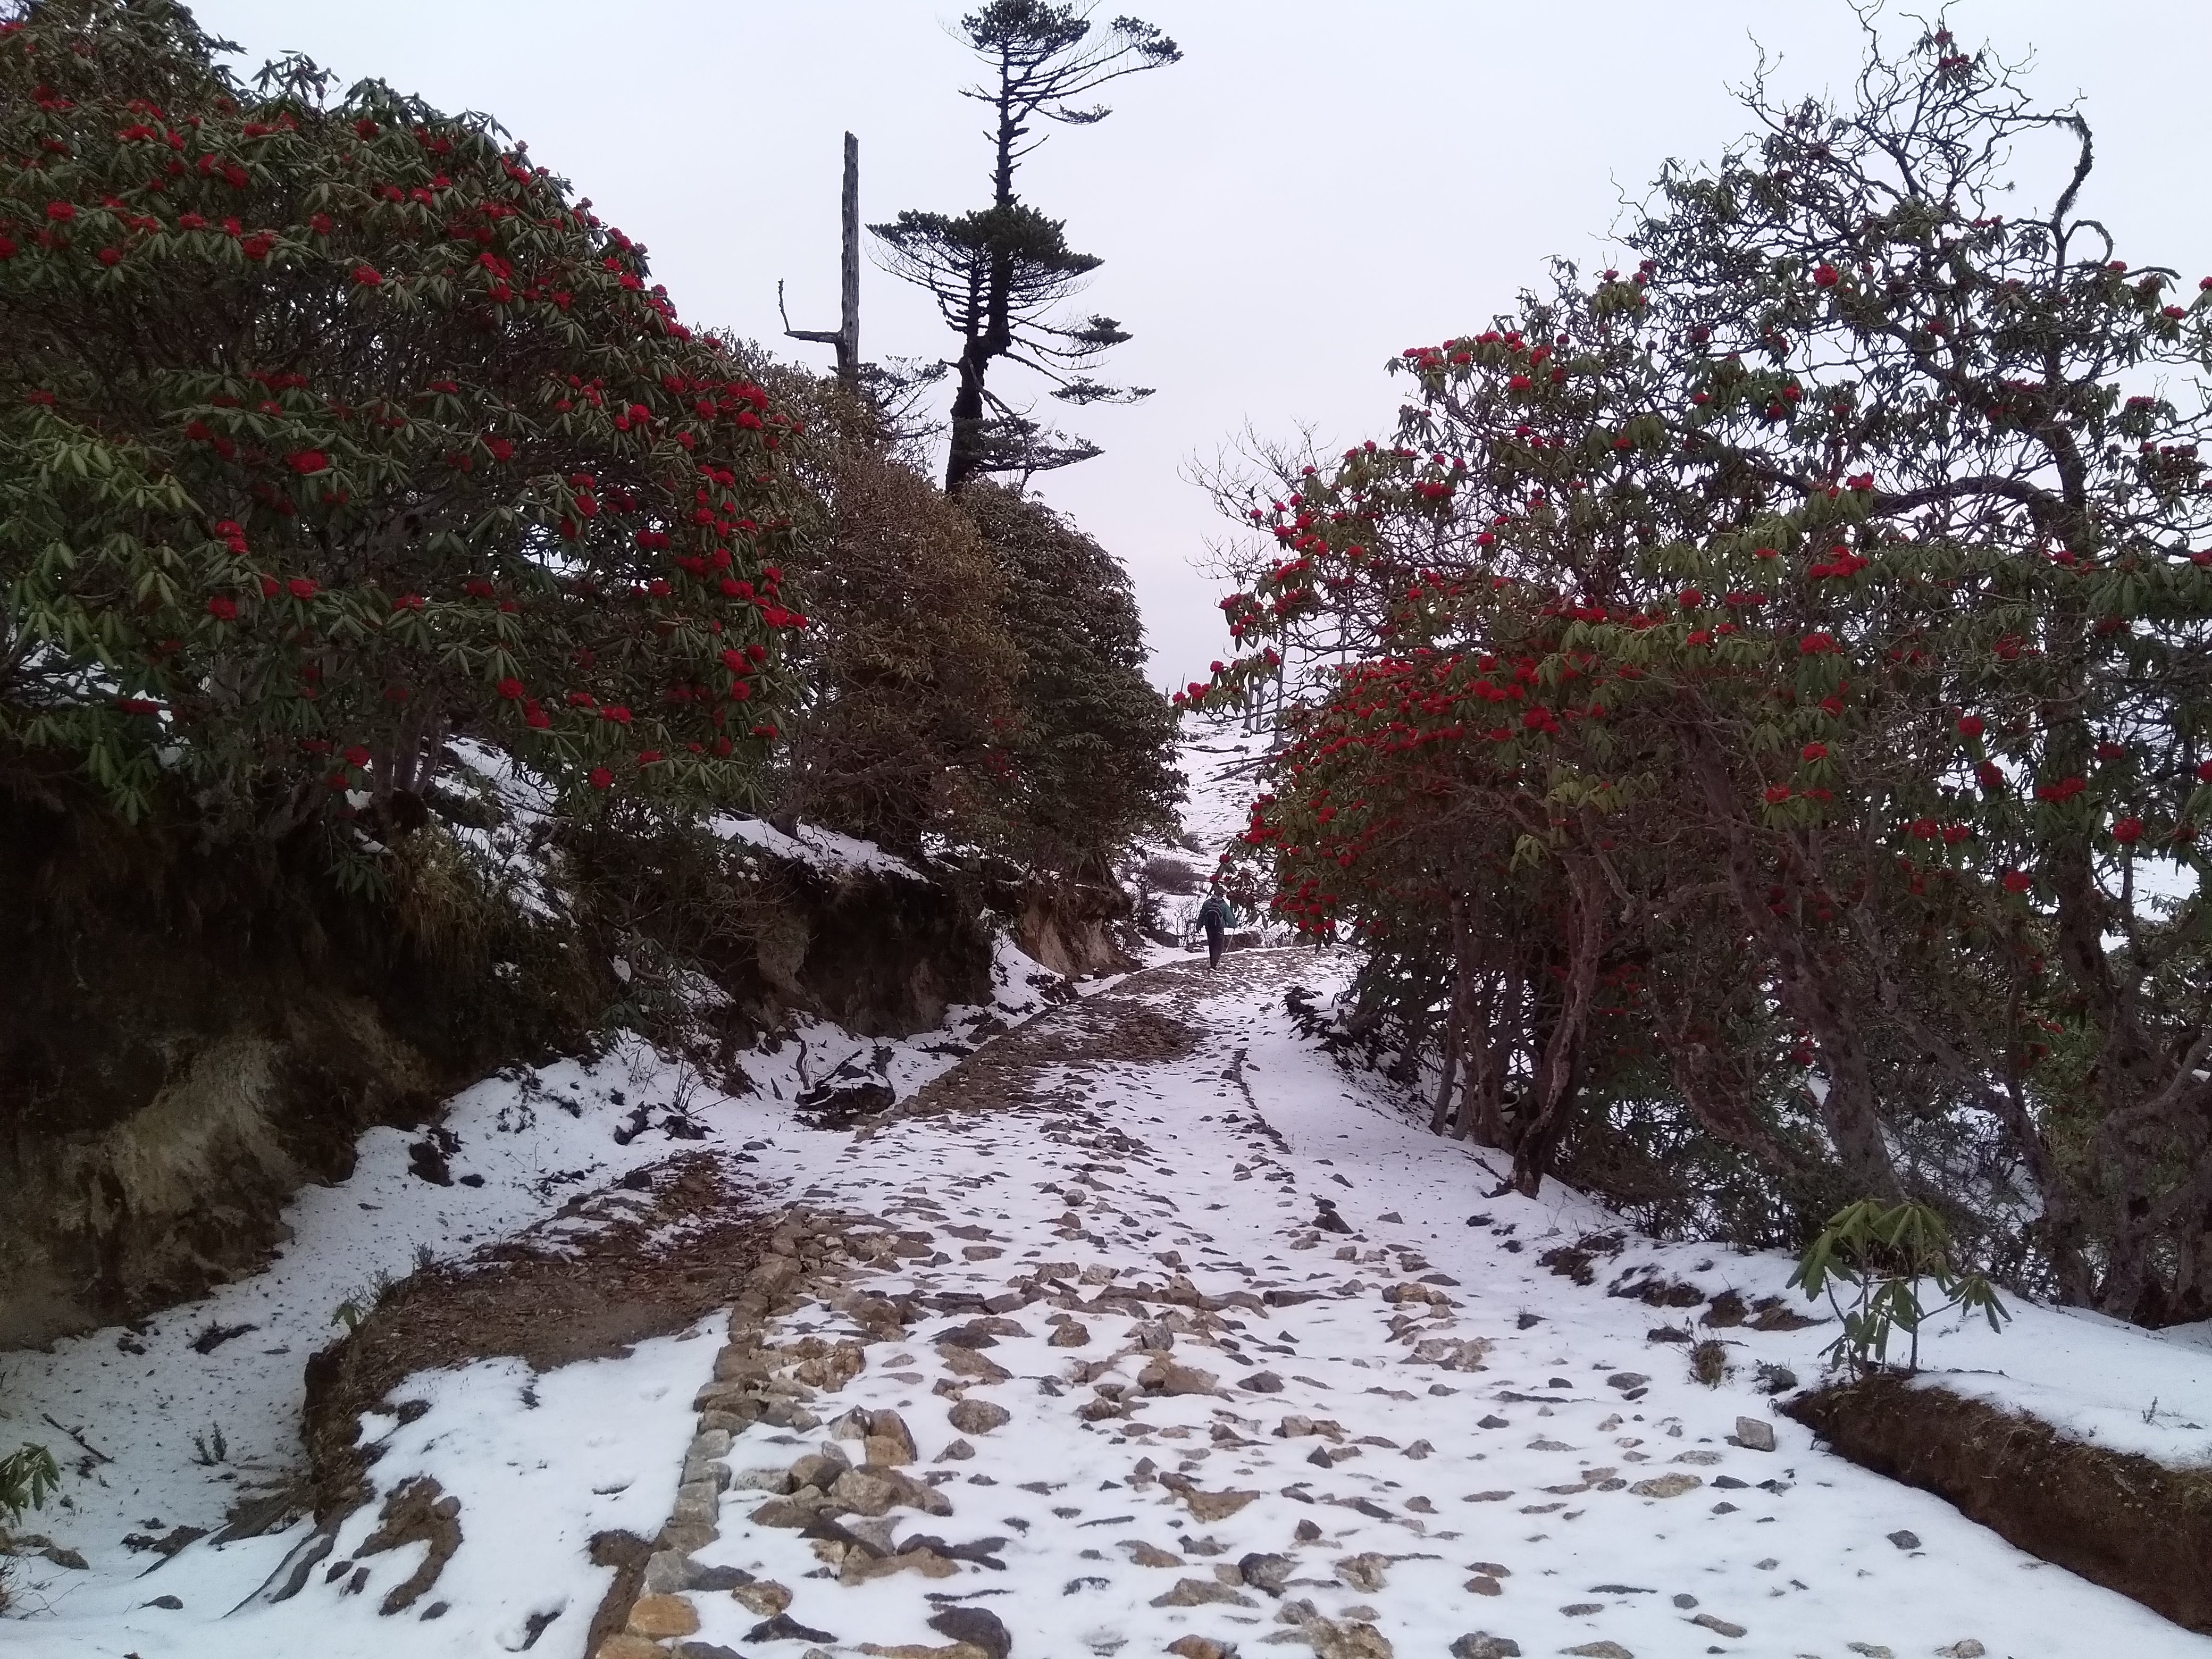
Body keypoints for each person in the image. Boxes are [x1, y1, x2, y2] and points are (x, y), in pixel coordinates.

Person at [1197, 882, 1230, 970]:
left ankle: (1212, 963)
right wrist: (1234, 924)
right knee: (1218, 946)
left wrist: (1199, 926)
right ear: (1221, 895)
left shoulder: (1207, 903)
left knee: (1212, 945)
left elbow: (1202, 915)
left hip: (1209, 927)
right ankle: (1214, 965)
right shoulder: (1224, 905)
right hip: (1219, 929)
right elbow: (1229, 917)